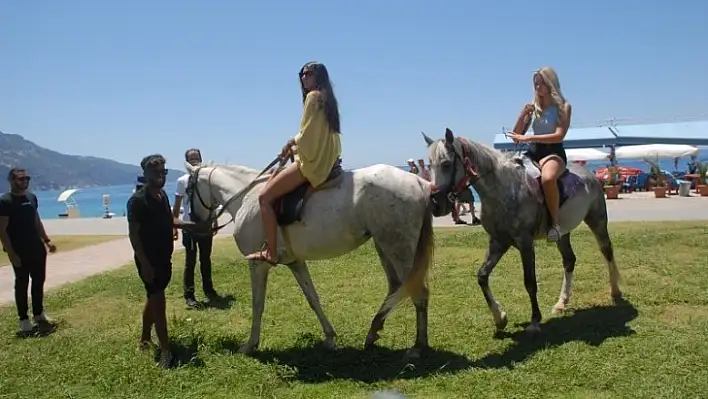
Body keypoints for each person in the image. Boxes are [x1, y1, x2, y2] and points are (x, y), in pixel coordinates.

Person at [245, 61, 342, 265]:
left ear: (319, 76)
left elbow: (307, 134)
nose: (303, 77)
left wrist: (292, 143)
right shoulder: (327, 99)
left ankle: (271, 252)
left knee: (264, 197)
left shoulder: (313, 97)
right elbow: (315, 134)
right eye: (302, 74)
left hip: (314, 163)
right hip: (327, 158)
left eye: (308, 74)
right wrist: (295, 145)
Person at [127, 154, 193, 368]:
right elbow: (134, 236)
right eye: (155, 172)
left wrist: (191, 226)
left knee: (154, 299)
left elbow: (170, 220)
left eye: (163, 172)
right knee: (159, 303)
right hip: (149, 261)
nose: (160, 176)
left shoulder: (161, 195)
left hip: (165, 257)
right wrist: (145, 264)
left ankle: (145, 339)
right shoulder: (137, 201)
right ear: (145, 174)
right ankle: (166, 351)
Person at [507, 66, 572, 242]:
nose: (538, 88)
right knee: (508, 172)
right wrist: (522, 115)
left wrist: (529, 137)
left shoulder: (563, 107)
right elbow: (516, 136)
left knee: (548, 179)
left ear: (551, 84)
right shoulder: (533, 108)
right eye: (536, 84)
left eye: (542, 83)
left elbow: (559, 136)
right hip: (533, 152)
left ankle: (556, 224)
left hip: (553, 152)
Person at [0, 168, 57, 336]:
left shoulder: (31, 198)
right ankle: (24, 320)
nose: (24, 182)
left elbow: (36, 220)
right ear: (11, 180)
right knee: (22, 283)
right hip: (19, 250)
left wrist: (47, 241)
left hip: (37, 248)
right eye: (20, 179)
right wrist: (11, 253)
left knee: (38, 282)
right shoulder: (5, 202)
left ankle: (39, 315)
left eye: (27, 179)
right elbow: (2, 230)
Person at [173, 148, 219, 308]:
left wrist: (215, 222)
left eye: (196, 158)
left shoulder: (206, 181)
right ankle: (189, 295)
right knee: (190, 262)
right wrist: (175, 225)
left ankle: (209, 290)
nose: (194, 161)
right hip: (189, 226)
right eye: (191, 158)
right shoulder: (182, 181)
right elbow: (177, 205)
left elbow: (211, 204)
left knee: (206, 260)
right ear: (186, 161)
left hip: (205, 225)